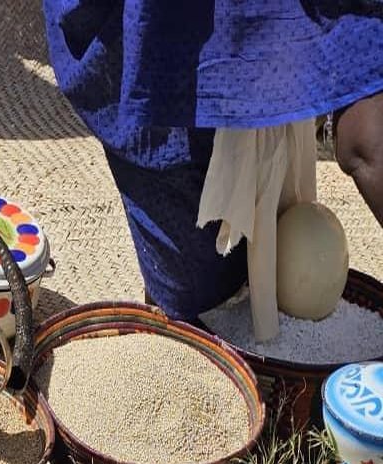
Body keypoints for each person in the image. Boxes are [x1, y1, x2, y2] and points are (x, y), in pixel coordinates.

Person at [41, 1, 383, 322]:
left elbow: (367, 137)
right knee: (202, 297)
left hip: (179, 71)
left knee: (215, 295)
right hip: (170, 91)